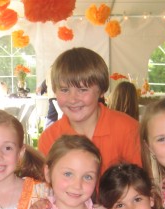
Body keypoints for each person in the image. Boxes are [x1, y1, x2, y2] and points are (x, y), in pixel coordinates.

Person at [38, 47, 141, 176]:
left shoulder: (128, 129)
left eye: (83, 90)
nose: (73, 99)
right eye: (64, 90)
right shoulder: (49, 139)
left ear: (101, 91)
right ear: (55, 91)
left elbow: (142, 182)